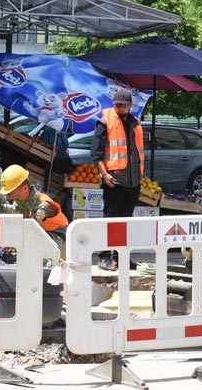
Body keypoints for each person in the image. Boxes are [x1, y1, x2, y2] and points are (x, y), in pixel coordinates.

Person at [91, 89, 145, 271]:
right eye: (116, 104)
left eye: (122, 104)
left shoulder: (135, 123)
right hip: (114, 181)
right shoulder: (105, 121)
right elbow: (96, 153)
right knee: (110, 220)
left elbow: (137, 152)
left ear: (130, 105)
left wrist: (139, 177)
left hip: (133, 182)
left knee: (125, 222)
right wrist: (104, 174)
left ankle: (122, 258)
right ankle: (104, 257)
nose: (118, 107)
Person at [0, 164, 69, 259]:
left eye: (13, 192)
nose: (10, 196)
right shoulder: (19, 202)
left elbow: (31, 225)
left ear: (25, 188)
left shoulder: (43, 203)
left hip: (63, 244)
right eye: (9, 193)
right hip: (46, 242)